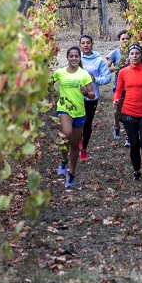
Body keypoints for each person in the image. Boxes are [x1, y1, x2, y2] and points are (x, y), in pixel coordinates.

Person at [113, 43, 142, 181]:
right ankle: (137, 172)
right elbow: (118, 90)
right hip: (128, 112)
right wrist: (116, 100)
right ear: (128, 56)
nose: (134, 56)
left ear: (141, 56)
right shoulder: (123, 72)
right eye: (132, 53)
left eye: (137, 53)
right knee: (134, 144)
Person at [51, 46, 94, 188]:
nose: (74, 58)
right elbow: (49, 84)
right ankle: (64, 160)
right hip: (64, 109)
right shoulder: (60, 72)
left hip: (79, 112)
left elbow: (92, 94)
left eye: (76, 56)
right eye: (71, 56)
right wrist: (52, 99)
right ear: (67, 57)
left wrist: (85, 93)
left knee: (75, 144)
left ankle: (72, 173)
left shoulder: (84, 74)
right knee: (66, 134)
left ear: (80, 58)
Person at [79, 34, 113, 162]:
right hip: (77, 96)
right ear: (80, 45)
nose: (86, 45)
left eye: (88, 42)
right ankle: (79, 139)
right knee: (77, 121)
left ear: (92, 44)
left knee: (87, 123)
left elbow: (107, 77)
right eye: (83, 43)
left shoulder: (98, 61)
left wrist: (95, 79)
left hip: (91, 97)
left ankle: (84, 149)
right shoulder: (76, 58)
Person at [107, 30, 130, 144]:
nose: (125, 41)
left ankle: (128, 136)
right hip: (119, 86)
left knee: (130, 112)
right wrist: (118, 67)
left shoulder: (133, 52)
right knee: (118, 111)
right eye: (123, 39)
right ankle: (116, 126)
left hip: (132, 86)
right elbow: (106, 68)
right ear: (119, 40)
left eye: (127, 38)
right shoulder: (115, 53)